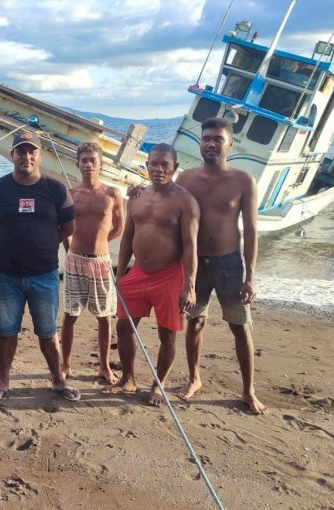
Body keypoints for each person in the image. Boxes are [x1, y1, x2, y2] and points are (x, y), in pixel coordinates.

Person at [174, 116, 269, 415]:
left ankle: (248, 390)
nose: (211, 143)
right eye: (207, 138)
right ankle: (194, 379)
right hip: (195, 264)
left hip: (230, 263)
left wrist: (251, 276)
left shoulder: (243, 180)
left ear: (230, 143)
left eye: (218, 138)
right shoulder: (186, 179)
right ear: (200, 142)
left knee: (240, 326)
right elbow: (168, 212)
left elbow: (252, 231)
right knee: (195, 321)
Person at [0, 131, 80, 402]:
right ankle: (3, 381)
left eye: (31, 151)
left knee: (48, 332)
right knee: (6, 330)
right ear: (12, 155)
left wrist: (45, 244)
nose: (26, 156)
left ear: (40, 155)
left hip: (44, 275)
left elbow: (67, 227)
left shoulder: (55, 189)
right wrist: (12, 242)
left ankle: (58, 380)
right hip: (6, 274)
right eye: (20, 151)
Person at [103, 143, 199, 406]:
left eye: (164, 164)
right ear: (146, 166)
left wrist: (189, 284)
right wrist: (120, 274)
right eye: (154, 163)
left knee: (167, 334)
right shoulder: (137, 196)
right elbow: (127, 238)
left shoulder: (185, 201)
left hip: (170, 275)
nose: (158, 169)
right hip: (138, 272)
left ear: (174, 168)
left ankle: (159, 384)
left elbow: (191, 245)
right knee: (124, 326)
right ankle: (128, 378)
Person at [61, 142, 124, 384]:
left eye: (92, 160)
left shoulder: (112, 194)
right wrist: (69, 250)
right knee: (70, 315)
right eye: (84, 160)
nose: (88, 165)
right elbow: (64, 227)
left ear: (101, 164)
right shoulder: (71, 194)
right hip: (75, 261)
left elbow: (119, 226)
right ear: (78, 163)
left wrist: (101, 243)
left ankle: (105, 366)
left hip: (100, 262)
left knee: (105, 316)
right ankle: (65, 364)